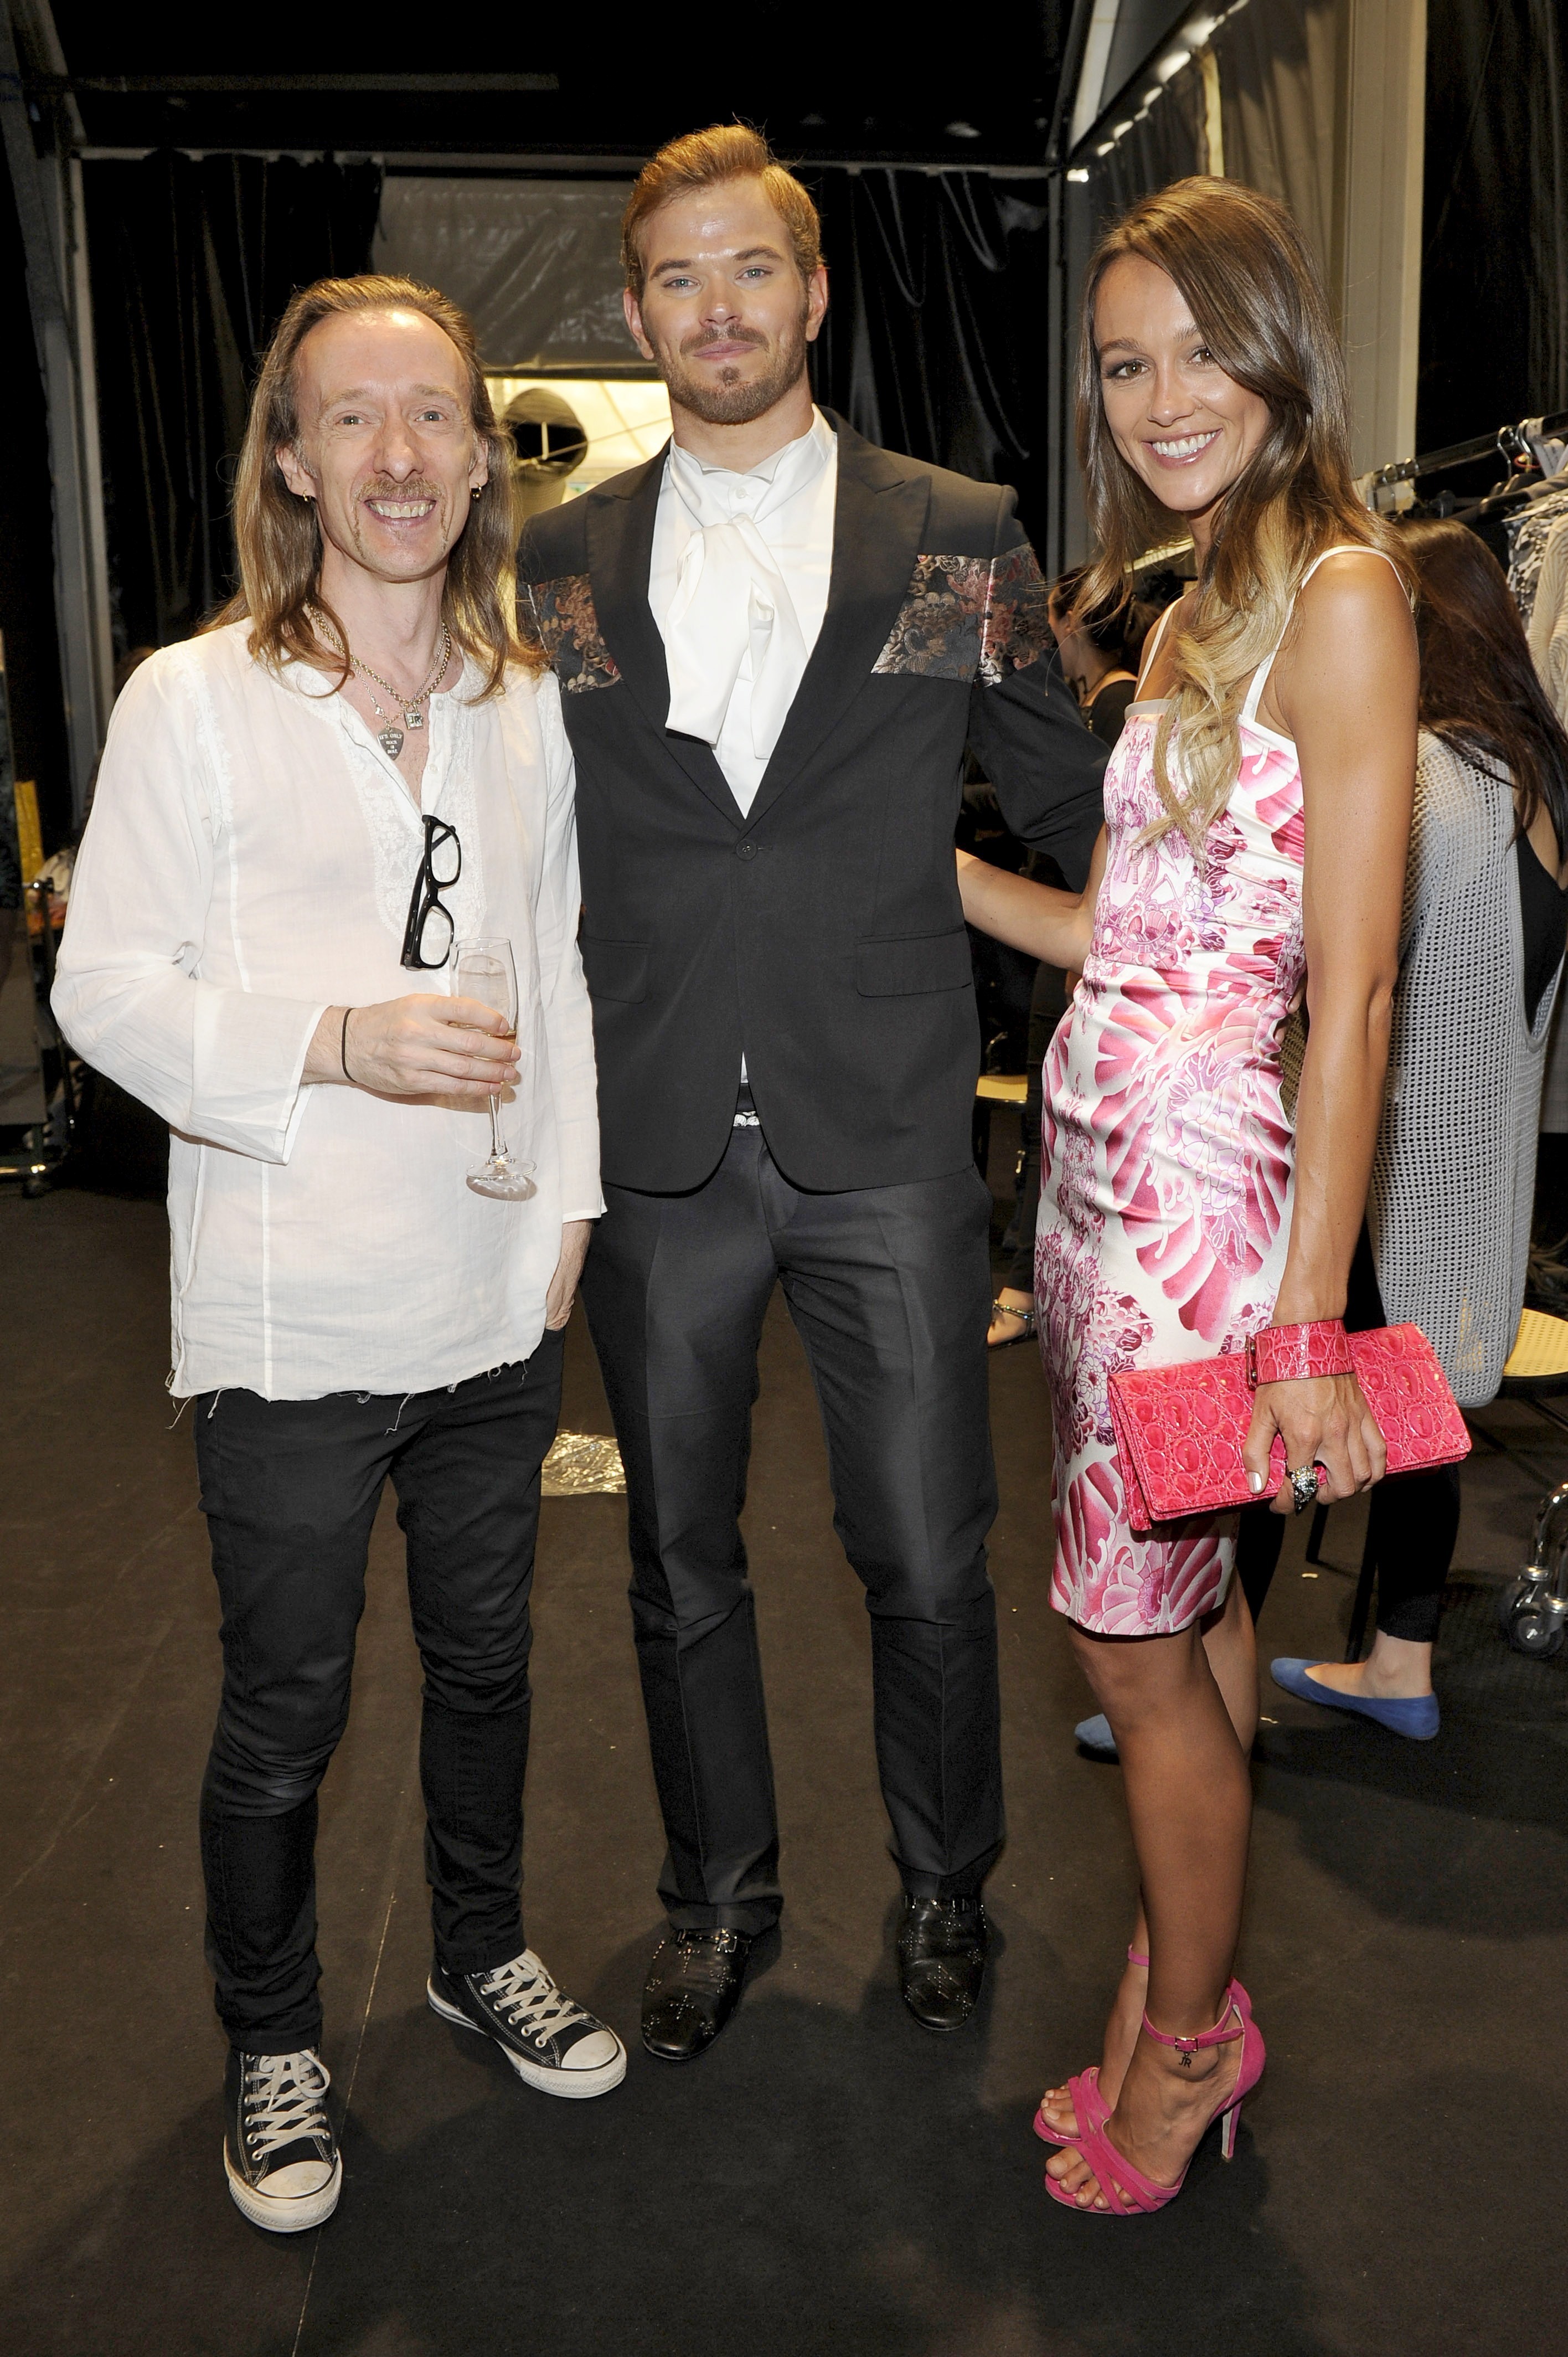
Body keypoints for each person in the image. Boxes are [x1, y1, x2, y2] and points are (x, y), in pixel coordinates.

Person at [518, 124, 1107, 2062]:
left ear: (817, 290)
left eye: (750, 269)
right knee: (677, 1556)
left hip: (887, 1132)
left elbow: (1068, 800)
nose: (719, 309)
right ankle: (715, 1897)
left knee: (926, 1551)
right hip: (659, 1132)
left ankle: (945, 1885)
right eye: (679, 279)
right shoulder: (560, 560)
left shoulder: (954, 535)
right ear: (635, 314)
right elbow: (531, 821)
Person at [52, 275, 625, 2236]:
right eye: (353, 417)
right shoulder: (192, 697)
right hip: (290, 1316)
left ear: (480, 453)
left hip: (490, 1295)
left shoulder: (519, 702)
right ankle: (275, 2041)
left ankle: (479, 1950)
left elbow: (554, 961)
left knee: (488, 1665)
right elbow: (104, 988)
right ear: (290, 459)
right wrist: (336, 1042)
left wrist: (569, 1206)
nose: (398, 456)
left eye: (434, 413)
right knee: (286, 1708)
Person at [956, 175, 1416, 2215]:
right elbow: (1135, 943)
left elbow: (1356, 992)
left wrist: (1306, 1327)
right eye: (1124, 364)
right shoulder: (1195, 597)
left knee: (1129, 1646)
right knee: (1195, 1610)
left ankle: (1193, 2048)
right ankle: (1181, 1992)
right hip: (1097, 1192)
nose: (1162, 399)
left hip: (1205, 1230)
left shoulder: (1341, 596)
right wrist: (930, 874)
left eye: (1200, 351)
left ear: (1280, 351)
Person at [1270, 518, 1568, 1733]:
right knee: (1420, 1408)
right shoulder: (1538, 782)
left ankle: (1203, 1684)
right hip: (1481, 1172)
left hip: (1388, 1157)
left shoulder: (1425, 781)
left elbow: (1353, 981)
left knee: (1286, 1391)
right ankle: (1400, 1661)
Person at [988, 575, 1162, 1351]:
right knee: (1054, 1128)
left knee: (1056, 1129)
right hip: (1070, 937)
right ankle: (1040, 1288)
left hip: (1083, 949)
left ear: (1069, 625)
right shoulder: (1112, 702)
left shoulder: (1121, 706)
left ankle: (1029, 1291)